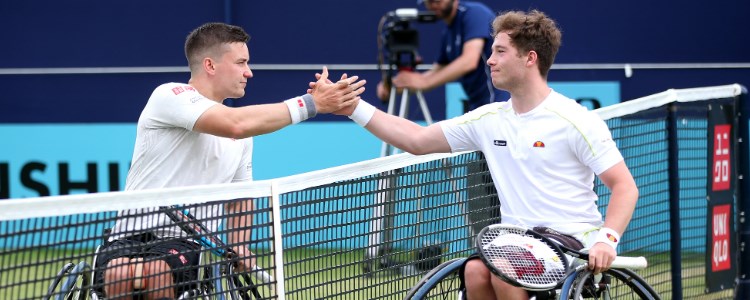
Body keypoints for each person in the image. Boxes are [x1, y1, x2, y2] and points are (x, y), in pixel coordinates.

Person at [334, 9, 639, 300]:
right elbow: (416, 139)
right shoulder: (489, 120)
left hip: (570, 247)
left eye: (500, 52)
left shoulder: (576, 120)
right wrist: (353, 108)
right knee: (476, 272)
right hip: (515, 245)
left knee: (501, 270)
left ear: (530, 58)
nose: (490, 61)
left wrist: (607, 239)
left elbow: (624, 186)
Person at [95, 22, 366, 299]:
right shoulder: (169, 95)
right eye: (241, 62)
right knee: (118, 272)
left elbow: (240, 196)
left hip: (182, 243)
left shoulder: (243, 138)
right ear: (210, 65)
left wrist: (240, 245)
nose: (248, 72)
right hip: (126, 236)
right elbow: (234, 123)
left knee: (155, 273)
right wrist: (312, 104)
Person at [377, 0, 508, 113]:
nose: (433, 5)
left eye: (437, 1)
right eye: (429, 2)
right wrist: (400, 83)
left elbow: (469, 61)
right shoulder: (448, 31)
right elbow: (438, 70)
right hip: (478, 106)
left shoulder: (475, 13)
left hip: (499, 102)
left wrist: (424, 82)